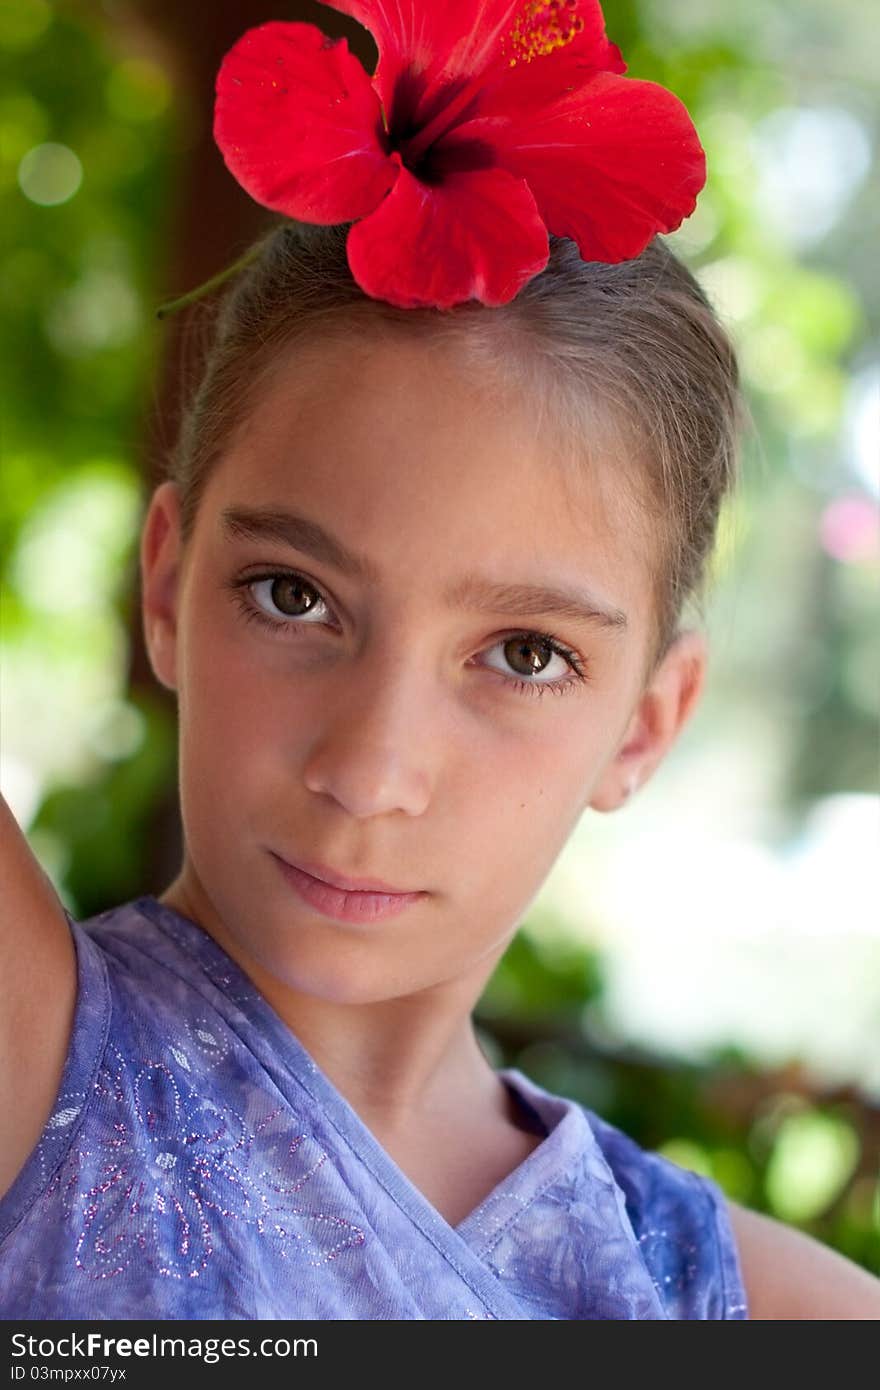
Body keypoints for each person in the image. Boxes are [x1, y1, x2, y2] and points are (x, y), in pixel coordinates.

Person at [2, 1, 879, 1320]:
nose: (372, 769)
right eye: (292, 595)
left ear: (647, 723)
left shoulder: (738, 1298)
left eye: (523, 652)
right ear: (167, 584)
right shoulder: (34, 1059)